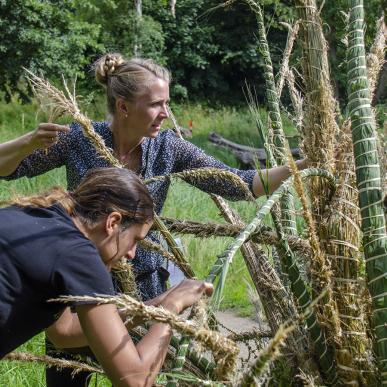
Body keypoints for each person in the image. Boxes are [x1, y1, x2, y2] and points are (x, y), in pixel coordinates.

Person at [0, 53, 307, 386]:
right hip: (75, 275)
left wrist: (300, 166)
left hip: (142, 284)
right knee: (68, 374)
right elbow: (10, 168)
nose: (165, 113)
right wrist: (27, 142)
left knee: (141, 369)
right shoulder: (80, 139)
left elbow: (238, 183)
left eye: (167, 103)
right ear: (123, 107)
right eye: (156, 104)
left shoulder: (169, 148)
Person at [0, 167, 213, 387]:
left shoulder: (39, 215)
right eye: (135, 239)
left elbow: (64, 332)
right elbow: (136, 381)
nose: (131, 254)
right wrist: (172, 306)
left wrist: (152, 308)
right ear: (113, 223)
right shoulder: (81, 256)